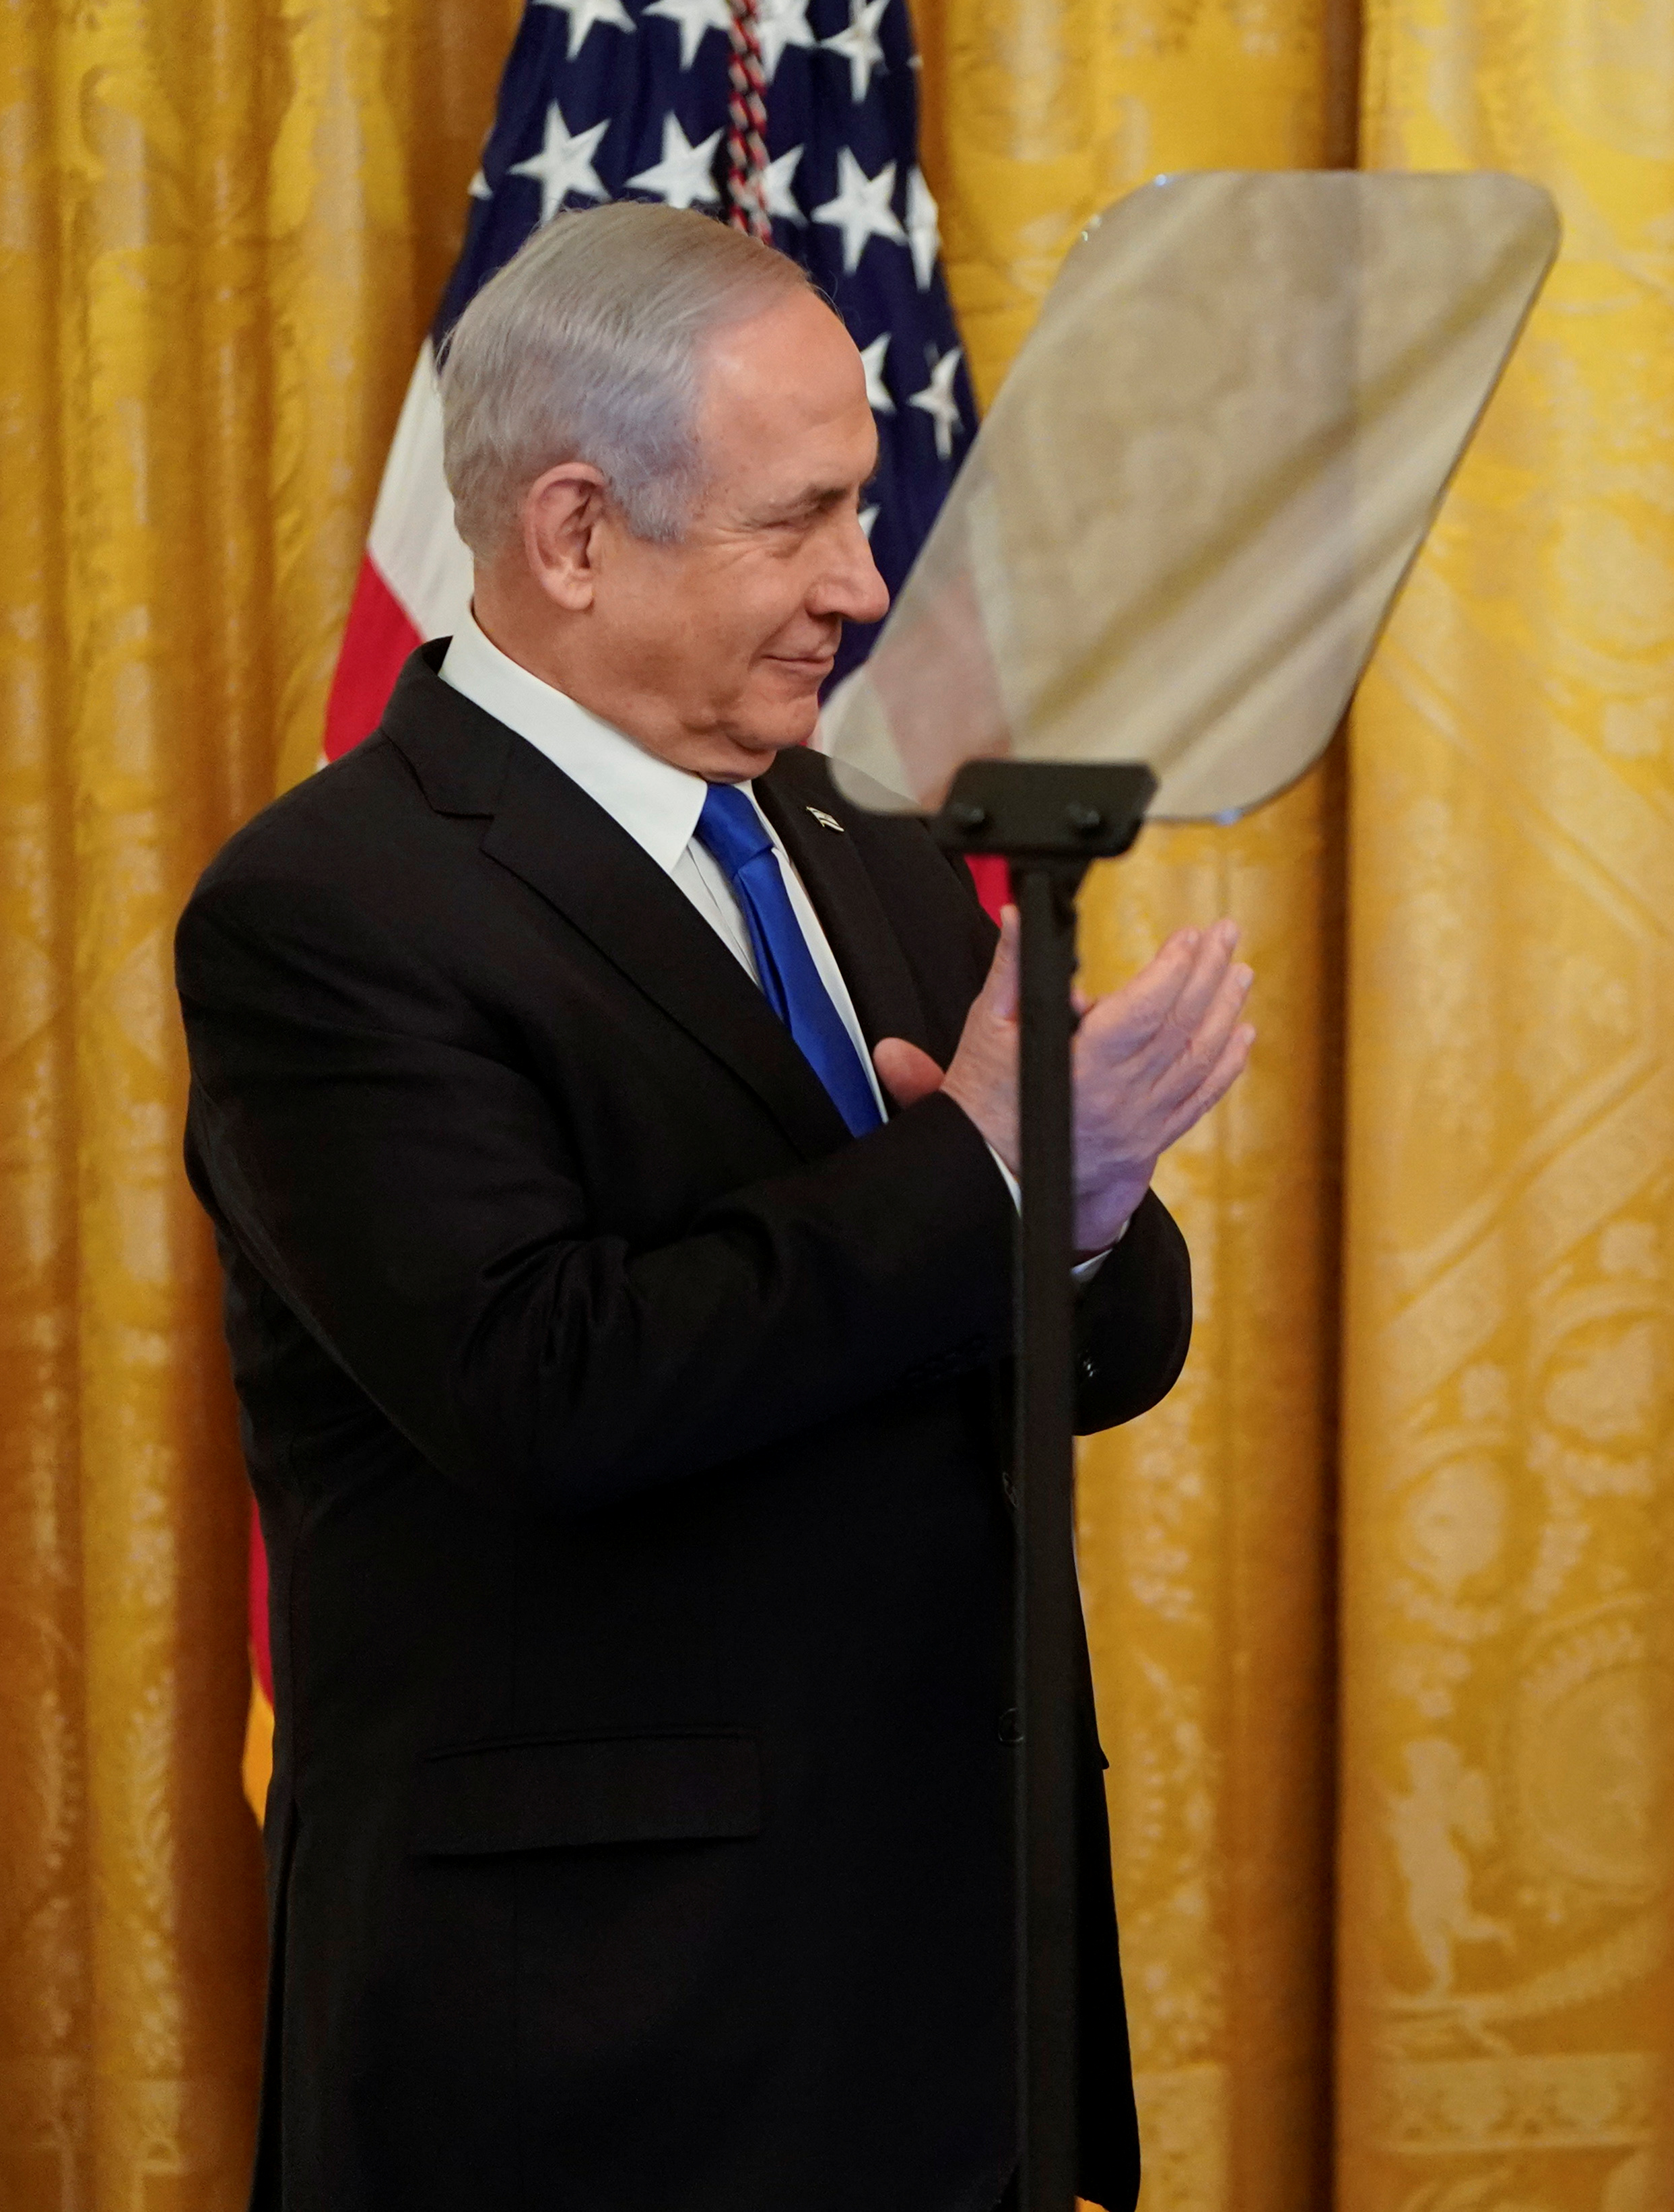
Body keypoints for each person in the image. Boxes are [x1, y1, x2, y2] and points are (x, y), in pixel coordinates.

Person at [178, 204, 1249, 2211]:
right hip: (592, 2028)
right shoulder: (334, 910)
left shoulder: (859, 838)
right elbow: (544, 1387)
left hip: (947, 1971)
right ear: (574, 533)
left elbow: (1089, 1350)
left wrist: (1084, 1208)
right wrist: (994, 1161)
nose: (863, 583)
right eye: (803, 519)